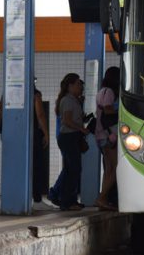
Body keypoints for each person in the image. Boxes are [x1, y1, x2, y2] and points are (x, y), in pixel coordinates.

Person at [55, 73, 87, 211]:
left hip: (70, 137)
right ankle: (68, 202)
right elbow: (67, 121)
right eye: (78, 84)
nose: (81, 87)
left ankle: (68, 200)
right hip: (69, 137)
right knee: (74, 169)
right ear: (70, 86)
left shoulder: (73, 99)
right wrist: (81, 128)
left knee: (70, 170)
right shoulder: (68, 100)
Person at [94, 67, 120, 211]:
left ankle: (103, 199)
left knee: (109, 168)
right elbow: (108, 109)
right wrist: (122, 109)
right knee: (115, 168)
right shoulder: (108, 92)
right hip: (107, 135)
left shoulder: (102, 91)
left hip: (102, 134)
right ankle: (102, 197)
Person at [32, 82, 50, 207]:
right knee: (36, 166)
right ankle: (37, 199)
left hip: (16, 134)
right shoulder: (35, 95)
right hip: (33, 135)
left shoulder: (8, 92)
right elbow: (40, 115)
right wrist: (46, 133)